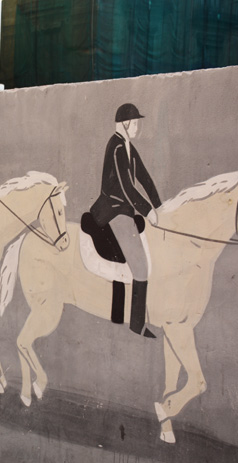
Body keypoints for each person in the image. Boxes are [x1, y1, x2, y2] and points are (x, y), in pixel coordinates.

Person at [90, 103, 162, 337]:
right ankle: (137, 325)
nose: (138, 127)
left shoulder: (128, 146)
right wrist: (148, 211)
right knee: (141, 267)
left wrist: (160, 205)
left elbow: (144, 177)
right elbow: (126, 188)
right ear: (125, 123)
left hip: (125, 209)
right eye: (136, 123)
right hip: (113, 211)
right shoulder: (117, 147)